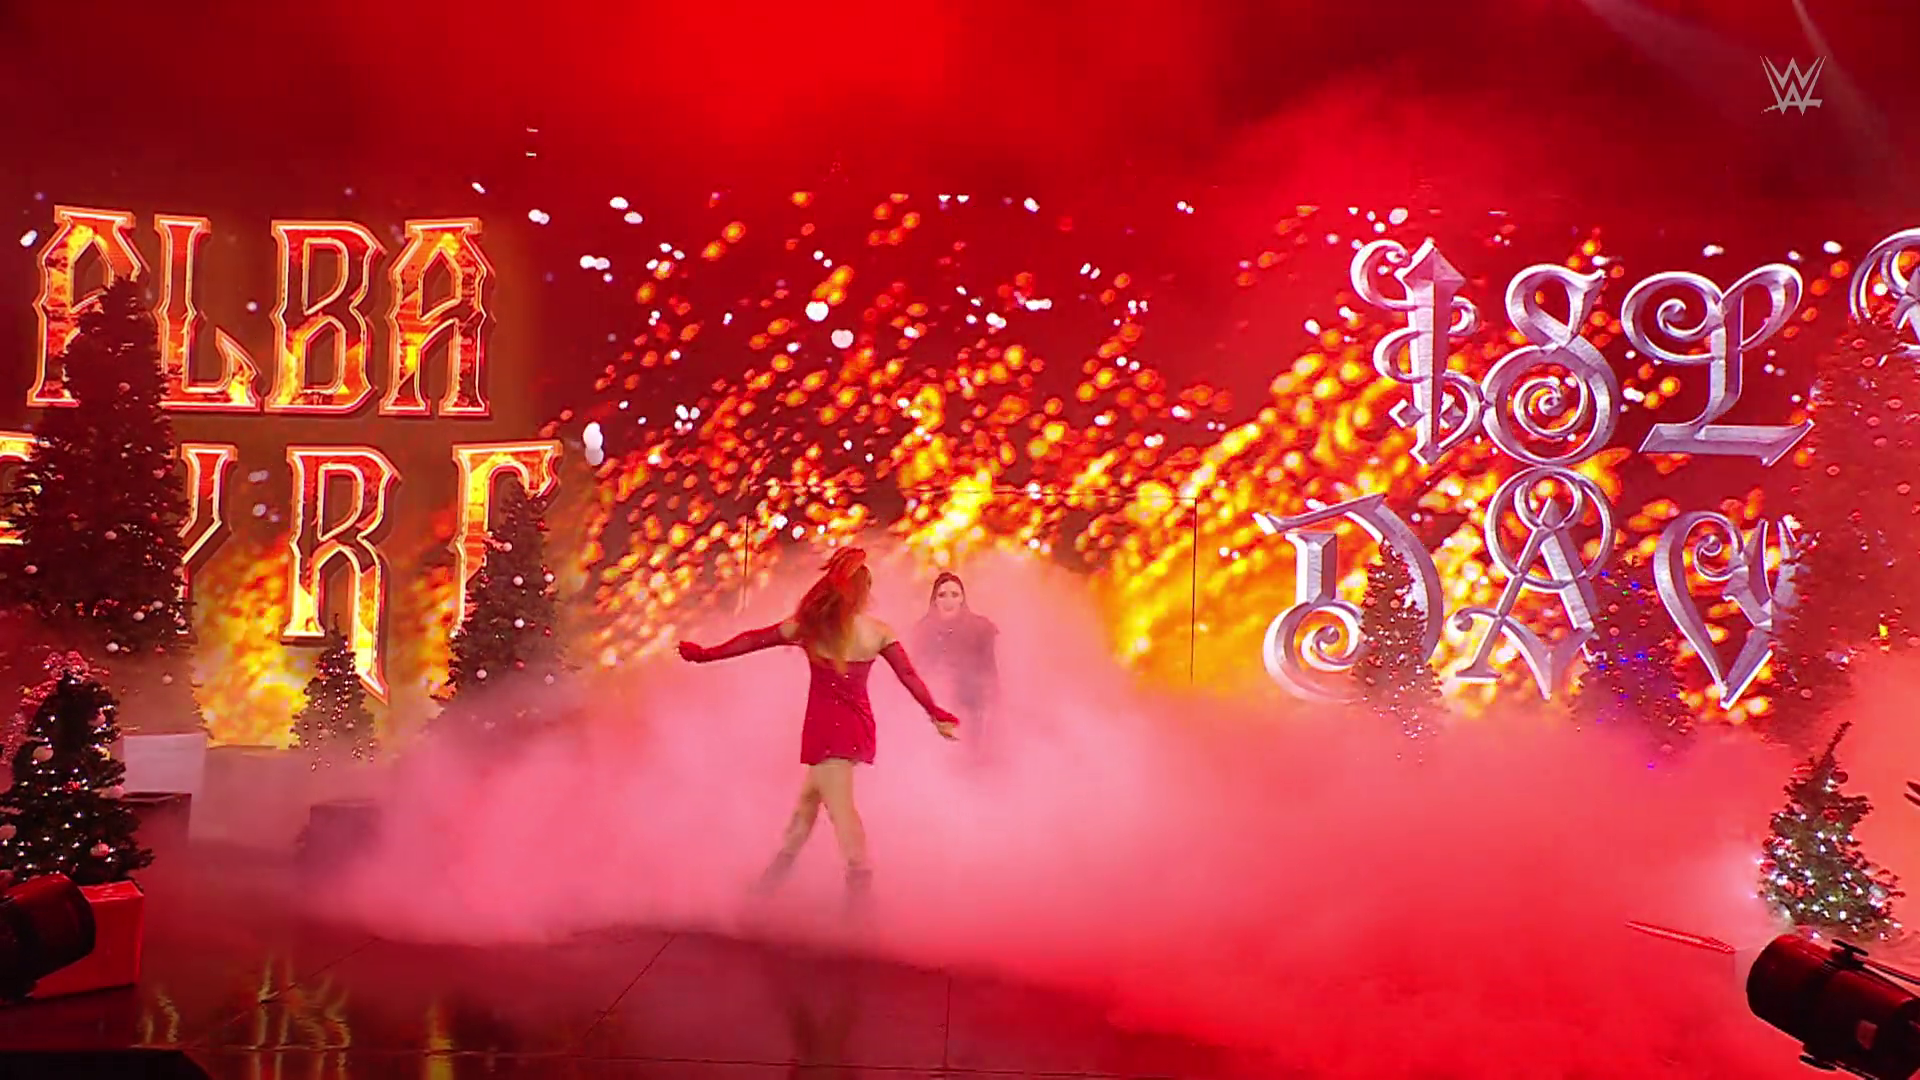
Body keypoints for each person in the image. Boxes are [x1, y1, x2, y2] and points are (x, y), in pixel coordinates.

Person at [677, 548, 959, 909]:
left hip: (828, 729)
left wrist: (706, 655)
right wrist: (934, 711)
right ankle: (769, 886)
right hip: (854, 726)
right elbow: (908, 675)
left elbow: (754, 639)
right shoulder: (877, 632)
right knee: (807, 808)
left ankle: (859, 897)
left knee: (840, 809)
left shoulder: (810, 628)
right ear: (864, 590)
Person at [911, 572, 1000, 755]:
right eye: (942, 595)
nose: (948, 601)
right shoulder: (923, 630)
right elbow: (915, 671)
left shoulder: (980, 629)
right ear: (934, 600)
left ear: (962, 599)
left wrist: (992, 709)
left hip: (972, 709)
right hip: (934, 711)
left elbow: (990, 673)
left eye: (954, 594)